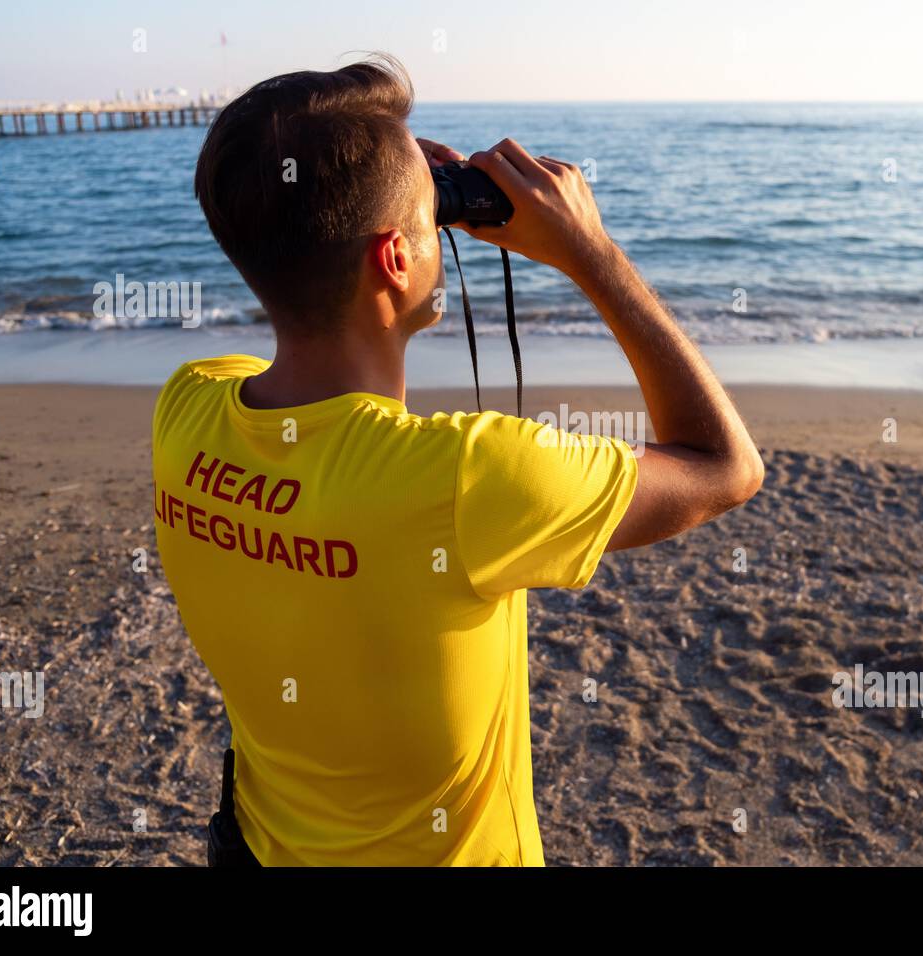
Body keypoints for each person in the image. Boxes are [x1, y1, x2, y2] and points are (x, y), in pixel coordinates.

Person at [152, 54, 762, 866]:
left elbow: (284, 223)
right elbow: (725, 466)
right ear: (398, 260)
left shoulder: (186, 410)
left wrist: (383, 182)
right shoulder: (468, 479)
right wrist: (589, 250)